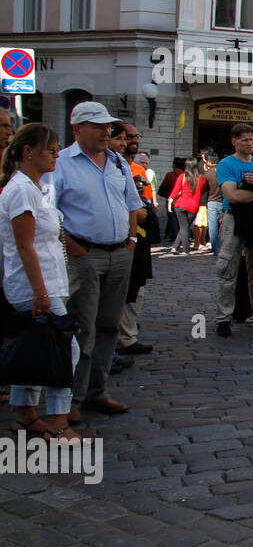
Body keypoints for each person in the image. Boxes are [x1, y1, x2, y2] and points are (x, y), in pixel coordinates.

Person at [54, 101, 143, 418]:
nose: (107, 132)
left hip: (119, 252)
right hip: (85, 254)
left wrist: (131, 240)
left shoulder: (117, 161)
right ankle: (72, 400)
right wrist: (73, 246)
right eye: (98, 126)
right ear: (77, 129)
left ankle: (97, 391)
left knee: (108, 327)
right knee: (82, 328)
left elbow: (132, 203)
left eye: (108, 127)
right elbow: (51, 213)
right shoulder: (62, 164)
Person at [1, 123, 84, 440]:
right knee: (65, 350)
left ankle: (25, 416)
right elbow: (25, 245)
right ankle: (58, 421)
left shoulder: (32, 187)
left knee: (34, 347)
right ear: (28, 152)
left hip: (43, 284)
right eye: (50, 149)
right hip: (36, 286)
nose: (55, 155)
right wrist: (40, 293)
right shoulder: (21, 189)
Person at [214, 124, 253, 338]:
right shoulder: (226, 164)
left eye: (251, 139)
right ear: (234, 141)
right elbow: (233, 196)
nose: (249, 143)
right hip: (233, 217)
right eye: (245, 140)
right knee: (228, 267)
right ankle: (224, 317)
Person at [117, 125, 154, 357]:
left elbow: (144, 205)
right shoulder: (112, 166)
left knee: (136, 290)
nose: (130, 142)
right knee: (120, 291)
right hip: (120, 236)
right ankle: (119, 339)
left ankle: (127, 336)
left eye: (133, 137)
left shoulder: (137, 168)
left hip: (139, 236)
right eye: (124, 138)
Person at [167, 158, 206, 256]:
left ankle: (179, 248)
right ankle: (182, 249)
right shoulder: (201, 178)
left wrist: (170, 202)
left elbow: (175, 191)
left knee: (183, 227)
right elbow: (204, 190)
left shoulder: (182, 176)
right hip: (193, 207)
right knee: (185, 227)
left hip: (180, 205)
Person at [158, 157, 185, 245]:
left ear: (174, 165)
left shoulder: (170, 175)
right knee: (181, 220)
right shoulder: (186, 175)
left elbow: (163, 187)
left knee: (172, 219)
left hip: (171, 199)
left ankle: (175, 236)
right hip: (183, 200)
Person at [202, 149, 223, 256]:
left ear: (208, 162)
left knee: (213, 227)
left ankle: (216, 249)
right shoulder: (223, 171)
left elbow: (203, 190)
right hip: (224, 201)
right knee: (225, 226)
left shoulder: (207, 174)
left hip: (211, 201)